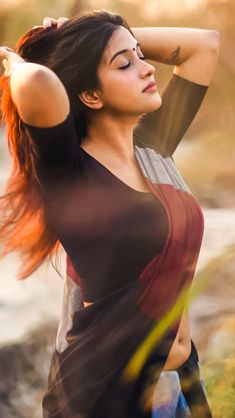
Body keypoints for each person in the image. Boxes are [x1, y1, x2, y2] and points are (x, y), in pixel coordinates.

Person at [0, 9, 220, 418]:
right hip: (105, 397)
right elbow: (38, 83)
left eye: (141, 55)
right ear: (90, 95)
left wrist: (94, 33)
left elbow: (203, 45)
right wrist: (14, 63)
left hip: (177, 389)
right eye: (125, 64)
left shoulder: (153, 148)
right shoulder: (70, 173)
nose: (146, 68)